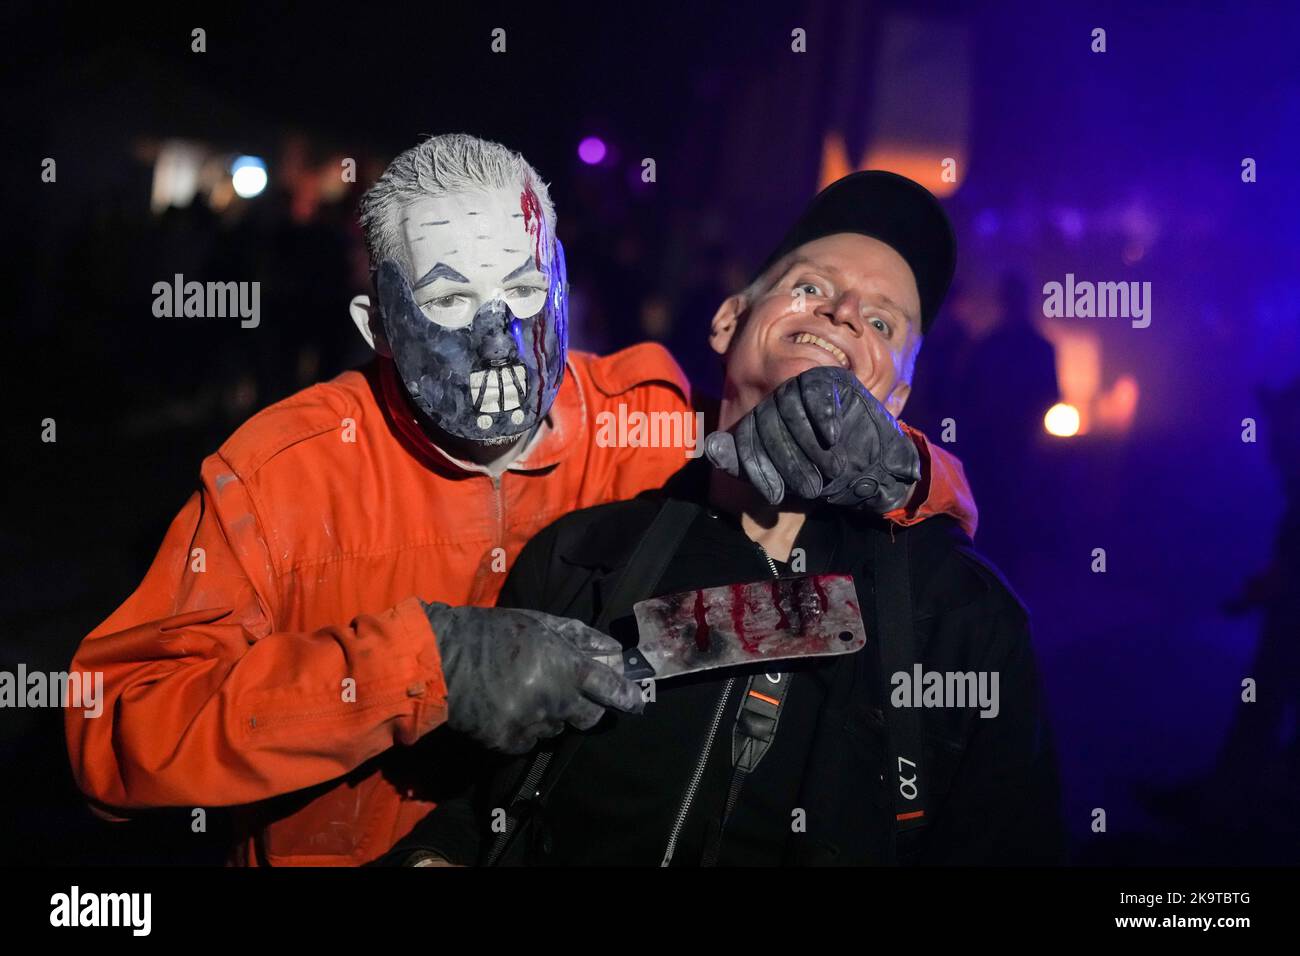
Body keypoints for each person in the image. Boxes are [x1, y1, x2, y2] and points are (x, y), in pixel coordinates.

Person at [64, 138, 978, 866]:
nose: (502, 336)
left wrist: (902, 468)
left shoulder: (654, 424)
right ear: (375, 326)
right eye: (451, 298)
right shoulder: (282, 473)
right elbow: (114, 730)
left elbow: (881, 553)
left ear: (569, 287)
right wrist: (418, 669)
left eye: (526, 288)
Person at [389, 171, 1065, 866]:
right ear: (727, 321)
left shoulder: (961, 620)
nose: (841, 311)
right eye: (808, 286)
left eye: (882, 321)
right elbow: (477, 804)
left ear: (898, 395)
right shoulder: (585, 554)